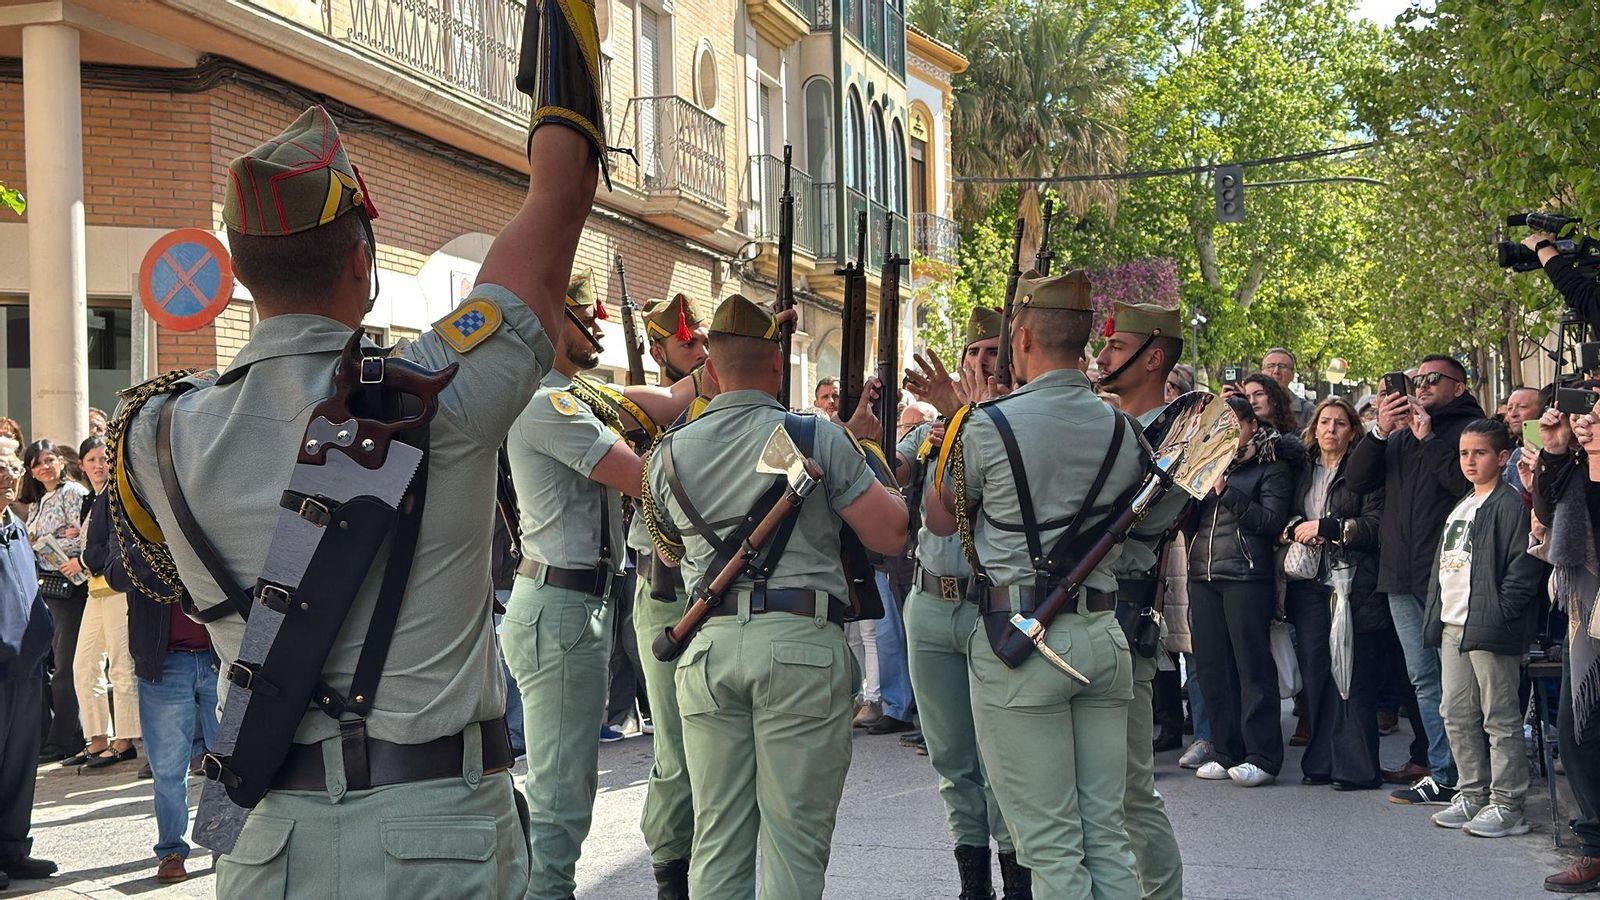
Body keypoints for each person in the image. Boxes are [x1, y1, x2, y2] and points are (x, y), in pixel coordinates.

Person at [109, 8, 605, 888]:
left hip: (265, 847)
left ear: (238, 266)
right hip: (437, 839)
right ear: (361, 262)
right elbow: (559, 196)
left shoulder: (154, 433)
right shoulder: (440, 392)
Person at [642, 294, 908, 900]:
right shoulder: (815, 435)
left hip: (708, 649)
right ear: (776, 363)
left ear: (711, 372)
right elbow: (891, 533)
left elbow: (670, 555)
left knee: (717, 841)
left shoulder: (667, 454)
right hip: (799, 645)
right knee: (794, 844)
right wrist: (866, 450)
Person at [926, 270, 1145, 897]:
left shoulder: (987, 425)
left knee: (1049, 845)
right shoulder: (1124, 429)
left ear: (1022, 339)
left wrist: (957, 426)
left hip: (1019, 640)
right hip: (1101, 633)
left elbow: (940, 517)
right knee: (1107, 836)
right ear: (1083, 342)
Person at [503, 273, 701, 900]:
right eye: (582, 317)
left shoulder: (577, 394)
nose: (595, 328)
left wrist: (734, 352)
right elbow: (643, 478)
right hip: (562, 606)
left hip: (574, 602)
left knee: (566, 786)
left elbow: (667, 401)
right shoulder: (549, 403)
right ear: (548, 321)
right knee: (562, 794)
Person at [896, 308, 1029, 899]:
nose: (982, 361)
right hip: (930, 603)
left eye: (992, 352)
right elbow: (890, 471)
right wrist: (863, 426)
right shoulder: (933, 429)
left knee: (1000, 759)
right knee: (951, 758)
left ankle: (1017, 878)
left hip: (988, 608)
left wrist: (964, 418)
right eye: (973, 352)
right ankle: (973, 884)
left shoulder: (1016, 425)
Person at [1346, 354, 1486, 806]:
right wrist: (1381, 432)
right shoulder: (1400, 432)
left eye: (1432, 379)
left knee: (1458, 682)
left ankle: (1472, 777)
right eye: (1416, 379)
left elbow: (1464, 485)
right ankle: (1442, 773)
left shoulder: (1469, 430)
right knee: (1423, 679)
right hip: (1399, 573)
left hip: (1448, 574)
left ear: (1458, 387)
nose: (1421, 386)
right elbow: (1356, 481)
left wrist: (1428, 439)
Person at [1094, 299, 1186, 899]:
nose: (1102, 356)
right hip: (1082, 614)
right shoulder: (1105, 426)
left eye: (1117, 346)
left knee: (1130, 790)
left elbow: (1132, 526)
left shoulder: (1177, 437)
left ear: (1153, 358)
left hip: (1124, 614)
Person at [84, 480, 216, 883]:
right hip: (164, 661)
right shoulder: (125, 506)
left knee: (228, 763)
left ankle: (227, 846)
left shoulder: (207, 496)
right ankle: (172, 850)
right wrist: (155, 545)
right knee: (168, 769)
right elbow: (110, 570)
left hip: (220, 656)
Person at [1422, 420, 1546, 837]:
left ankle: (1508, 804)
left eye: (1480, 453)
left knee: (1500, 717)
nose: (1470, 461)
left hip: (1490, 625)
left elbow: (1523, 568)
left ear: (1502, 457)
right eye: (1464, 453)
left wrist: (1500, 612)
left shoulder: (1510, 504)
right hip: (1454, 623)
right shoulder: (1463, 504)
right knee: (1455, 713)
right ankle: (1472, 794)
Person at [631, 292, 711, 896]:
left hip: (717, 590)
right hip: (665, 594)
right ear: (660, 353)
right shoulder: (646, 411)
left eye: (706, 340)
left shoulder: (717, 405)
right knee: (677, 748)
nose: (702, 349)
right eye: (689, 343)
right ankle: (670, 874)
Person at [1186, 396, 1301, 787]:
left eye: (1234, 422)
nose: (1227, 431)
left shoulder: (1272, 465)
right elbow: (1190, 524)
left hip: (1246, 575)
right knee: (1212, 668)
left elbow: (1270, 522)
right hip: (1203, 574)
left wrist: (1226, 491)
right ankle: (1226, 750)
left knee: (1252, 667)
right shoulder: (1208, 462)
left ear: (1252, 424)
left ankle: (1262, 755)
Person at [1282, 397, 1385, 789]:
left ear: (1353, 430)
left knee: (1352, 672)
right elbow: (1286, 513)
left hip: (1353, 580)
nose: (1331, 429)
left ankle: (1356, 768)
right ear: (1314, 428)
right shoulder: (1302, 467)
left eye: (1340, 423)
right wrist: (1294, 527)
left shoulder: (1364, 470)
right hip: (1308, 582)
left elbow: (1375, 524)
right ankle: (1321, 762)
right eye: (1324, 422)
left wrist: (1330, 528)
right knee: (1317, 670)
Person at [1532, 406, 1600, 891]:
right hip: (1586, 618)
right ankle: (1595, 847)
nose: (1588, 422)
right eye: (1588, 414)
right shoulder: (1576, 467)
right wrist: (1556, 451)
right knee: (1577, 732)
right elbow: (1543, 513)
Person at [0, 450, 58, 889]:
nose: (8, 475)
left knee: (20, 767)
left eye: (11, 467)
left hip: (28, 669)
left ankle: (12, 851)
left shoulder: (16, 527)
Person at [65, 436, 140, 769]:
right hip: (95, 591)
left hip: (117, 589)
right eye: (91, 460)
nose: (98, 465)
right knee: (83, 665)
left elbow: (115, 546)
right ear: (82, 465)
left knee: (121, 665)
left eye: (103, 458)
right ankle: (97, 739)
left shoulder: (117, 495)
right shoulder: (92, 500)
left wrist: (82, 559)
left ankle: (125, 740)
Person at [21, 438, 89, 764]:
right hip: (45, 588)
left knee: (64, 666)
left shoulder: (73, 493)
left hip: (70, 588)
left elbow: (82, 536)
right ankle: (56, 735)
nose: (45, 467)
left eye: (49, 460)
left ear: (61, 462)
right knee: (46, 666)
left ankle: (67, 739)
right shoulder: (37, 502)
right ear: (31, 472)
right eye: (37, 464)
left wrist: (57, 540)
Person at [1501, 386, 1544, 492]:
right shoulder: (1516, 455)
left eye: (1522, 407)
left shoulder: (1557, 453)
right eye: (1509, 409)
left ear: (1543, 410)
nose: (1513, 414)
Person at [1262, 348, 1315, 428]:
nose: (1276, 371)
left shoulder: (1308, 411)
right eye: (1270, 366)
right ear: (1262, 372)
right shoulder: (1250, 407)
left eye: (1282, 366)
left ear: (1292, 375)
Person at [1241, 372, 1302, 437]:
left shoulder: (1297, 437)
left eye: (1259, 394)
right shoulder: (1243, 438)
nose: (1252, 401)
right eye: (1247, 397)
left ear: (1274, 397)